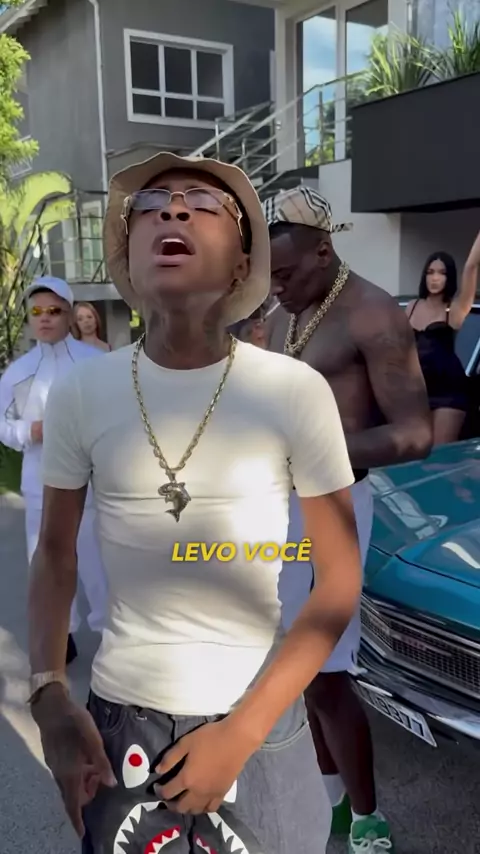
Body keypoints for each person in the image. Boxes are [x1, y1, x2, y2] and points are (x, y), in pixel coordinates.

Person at [27, 152, 364, 854]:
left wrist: (241, 734)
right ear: (128, 255)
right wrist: (48, 692)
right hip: (122, 722)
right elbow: (55, 553)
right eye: (151, 205)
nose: (174, 209)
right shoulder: (82, 394)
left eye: (204, 204)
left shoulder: (293, 392)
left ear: (242, 264)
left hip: (258, 720)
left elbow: (337, 580)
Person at [263, 186, 432, 854]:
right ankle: (331, 800)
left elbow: (416, 434)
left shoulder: (373, 315)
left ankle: (368, 817)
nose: (276, 288)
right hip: (279, 507)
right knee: (295, 666)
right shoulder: (289, 309)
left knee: (326, 671)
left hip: (333, 510)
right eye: (269, 276)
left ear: (324, 251)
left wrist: (311, 453)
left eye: (284, 273)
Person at [0, 277, 109, 664]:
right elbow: (3, 425)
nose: (44, 318)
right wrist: (29, 431)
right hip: (40, 484)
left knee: (96, 563)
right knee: (45, 563)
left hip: (90, 484)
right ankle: (63, 634)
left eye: (54, 311)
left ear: (69, 314)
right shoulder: (17, 373)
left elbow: (116, 416)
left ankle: (110, 632)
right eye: (36, 311)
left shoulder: (95, 364)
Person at [406, 235, 480, 445]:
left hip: (448, 392)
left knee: (438, 454)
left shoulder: (454, 309)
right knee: (414, 452)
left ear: (449, 278)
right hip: (416, 391)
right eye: (430, 272)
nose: (435, 278)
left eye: (442, 273)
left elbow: (471, 267)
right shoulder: (411, 307)